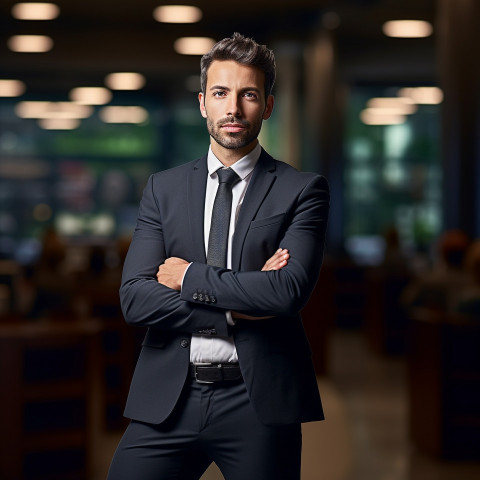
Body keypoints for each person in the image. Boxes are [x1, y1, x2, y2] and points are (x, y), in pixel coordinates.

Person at [107, 33, 330, 480]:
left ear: (266, 105)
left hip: (259, 399)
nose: (233, 108)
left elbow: (285, 292)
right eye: (221, 93)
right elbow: (135, 299)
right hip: (168, 396)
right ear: (203, 102)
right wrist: (236, 310)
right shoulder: (163, 188)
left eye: (248, 94)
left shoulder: (302, 190)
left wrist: (188, 277)